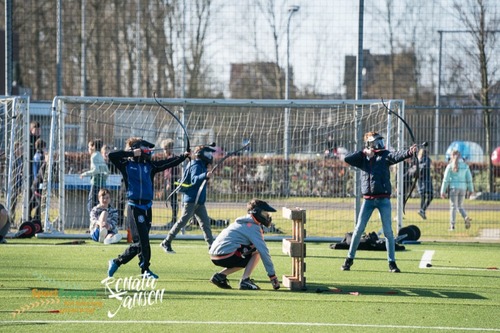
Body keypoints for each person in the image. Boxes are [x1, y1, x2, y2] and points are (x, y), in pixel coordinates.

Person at [106, 137, 188, 279]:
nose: (149, 151)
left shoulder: (150, 166)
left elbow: (167, 163)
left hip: (147, 207)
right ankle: (145, 270)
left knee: (140, 243)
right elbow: (111, 156)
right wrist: (131, 154)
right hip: (134, 207)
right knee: (143, 241)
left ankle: (116, 262)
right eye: (145, 148)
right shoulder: (125, 165)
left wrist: (183, 157)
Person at [341, 131, 417, 273]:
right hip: (368, 201)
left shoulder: (384, 155)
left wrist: (409, 152)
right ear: (369, 144)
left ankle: (392, 263)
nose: (380, 145)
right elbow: (347, 159)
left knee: (388, 232)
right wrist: (364, 153)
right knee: (358, 230)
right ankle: (349, 260)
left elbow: (396, 156)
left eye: (380, 142)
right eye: (376, 142)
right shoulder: (362, 158)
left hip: (383, 200)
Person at [208, 199, 280, 291]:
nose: (267, 216)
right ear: (257, 212)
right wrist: (272, 276)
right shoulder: (253, 227)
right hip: (225, 255)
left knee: (250, 249)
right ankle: (245, 280)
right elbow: (264, 252)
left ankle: (220, 276)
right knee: (257, 251)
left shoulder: (243, 222)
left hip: (215, 255)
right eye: (265, 213)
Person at [160, 144, 216, 254]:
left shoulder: (202, 165)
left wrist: (206, 174)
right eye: (208, 153)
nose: (210, 156)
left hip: (199, 201)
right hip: (191, 200)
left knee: (205, 224)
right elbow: (195, 180)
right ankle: (166, 242)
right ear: (202, 154)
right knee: (182, 222)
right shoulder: (195, 165)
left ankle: (211, 246)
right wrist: (205, 175)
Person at [440, 149, 474, 231]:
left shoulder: (450, 166)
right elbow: (469, 179)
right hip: (463, 188)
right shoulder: (465, 166)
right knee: (460, 206)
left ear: (452, 156)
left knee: (453, 207)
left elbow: (445, 179)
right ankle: (465, 217)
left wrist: (442, 191)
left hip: (454, 188)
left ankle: (452, 226)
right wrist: (471, 190)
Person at [80, 139, 109, 213]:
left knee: (91, 206)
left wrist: (84, 174)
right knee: (101, 204)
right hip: (103, 184)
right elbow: (107, 171)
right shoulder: (100, 156)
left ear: (93, 147)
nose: (88, 149)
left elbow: (96, 170)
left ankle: (93, 221)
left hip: (96, 183)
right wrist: (104, 178)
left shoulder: (94, 156)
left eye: (89, 147)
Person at [161, 138, 181, 227]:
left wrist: (169, 182)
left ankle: (174, 219)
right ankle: (173, 219)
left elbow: (172, 172)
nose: (164, 151)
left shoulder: (172, 158)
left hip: (172, 181)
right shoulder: (169, 157)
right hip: (170, 181)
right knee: (172, 201)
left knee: (173, 201)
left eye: (165, 149)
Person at [417, 148, 433, 220]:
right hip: (426, 181)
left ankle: (422, 211)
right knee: (430, 196)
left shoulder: (418, 160)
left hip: (420, 181)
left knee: (422, 197)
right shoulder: (427, 159)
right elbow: (426, 166)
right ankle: (422, 210)